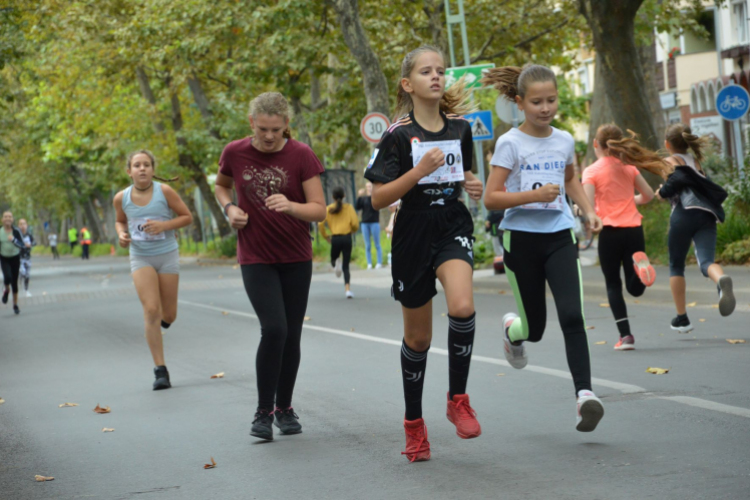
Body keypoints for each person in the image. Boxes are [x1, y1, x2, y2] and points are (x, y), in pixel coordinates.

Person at [365, 45, 484, 462]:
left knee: (463, 306)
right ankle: (414, 424)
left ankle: (458, 398)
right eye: (425, 71)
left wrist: (472, 185)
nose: (436, 77)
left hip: (451, 224)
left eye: (440, 71)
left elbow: (464, 174)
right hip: (412, 231)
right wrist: (418, 172)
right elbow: (379, 198)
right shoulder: (398, 134)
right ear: (407, 84)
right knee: (419, 338)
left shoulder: (461, 128)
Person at [482, 64, 605, 433]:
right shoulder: (510, 143)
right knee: (534, 329)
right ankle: (512, 330)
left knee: (572, 316)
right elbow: (491, 198)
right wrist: (533, 195)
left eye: (551, 100)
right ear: (520, 103)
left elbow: (569, 178)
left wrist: (588, 211)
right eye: (536, 101)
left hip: (559, 236)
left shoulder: (564, 139)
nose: (545, 107)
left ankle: (584, 396)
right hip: (520, 241)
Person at [215, 92, 326, 441]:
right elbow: (221, 186)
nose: (268, 136)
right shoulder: (234, 152)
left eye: (276, 130)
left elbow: (319, 209)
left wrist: (292, 206)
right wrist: (229, 208)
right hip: (256, 257)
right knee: (274, 329)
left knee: (291, 334)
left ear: (286, 126)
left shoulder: (301, 155)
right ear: (252, 123)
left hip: (296, 256)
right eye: (263, 129)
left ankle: (284, 407)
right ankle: (263, 411)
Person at [582, 124, 669, 350]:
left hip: (610, 232)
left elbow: (588, 207)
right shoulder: (629, 168)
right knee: (634, 287)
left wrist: (583, 213)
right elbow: (648, 195)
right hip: (634, 230)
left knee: (613, 284)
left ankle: (626, 336)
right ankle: (642, 274)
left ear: (595, 144)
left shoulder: (591, 171)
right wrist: (632, 201)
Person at [113, 149, 193, 391]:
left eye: (146, 164)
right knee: (151, 310)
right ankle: (160, 370)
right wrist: (121, 235)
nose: (142, 169)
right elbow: (119, 221)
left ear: (153, 170)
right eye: (137, 165)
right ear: (129, 171)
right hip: (140, 258)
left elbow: (187, 216)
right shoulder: (121, 198)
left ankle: (160, 324)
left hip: (167, 255)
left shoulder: (164, 192)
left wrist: (164, 225)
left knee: (169, 315)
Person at [656, 123, 734, 332]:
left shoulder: (668, 161)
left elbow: (671, 189)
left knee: (676, 265)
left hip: (683, 214)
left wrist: (660, 192)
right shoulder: (696, 161)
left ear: (667, 144)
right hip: (707, 215)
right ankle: (720, 279)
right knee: (706, 261)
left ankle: (682, 318)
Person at [319, 187, 359, 298]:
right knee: (346, 266)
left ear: (332, 197)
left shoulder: (328, 209)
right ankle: (347, 290)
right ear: (344, 196)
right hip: (347, 238)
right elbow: (355, 223)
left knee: (333, 259)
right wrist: (352, 230)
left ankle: (336, 264)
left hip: (335, 238)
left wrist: (326, 236)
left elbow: (320, 224)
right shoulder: (349, 208)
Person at [1, 211, 26, 314]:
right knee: (7, 277)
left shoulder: (16, 231)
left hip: (15, 258)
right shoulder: (0, 231)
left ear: (12, 219)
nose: (7, 218)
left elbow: (22, 245)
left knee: (14, 283)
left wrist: (14, 240)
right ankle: (6, 290)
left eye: (10, 217)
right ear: (2, 219)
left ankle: (15, 304)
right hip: (4, 258)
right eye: (5, 217)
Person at [356, 182, 383, 269]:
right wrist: (359, 196)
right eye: (367, 186)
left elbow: (378, 206)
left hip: (374, 222)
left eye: (370, 186)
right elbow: (357, 207)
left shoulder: (376, 197)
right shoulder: (363, 199)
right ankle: (369, 263)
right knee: (367, 245)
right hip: (365, 223)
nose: (369, 188)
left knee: (377, 244)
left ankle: (379, 262)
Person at [17, 219, 36, 297]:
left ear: (26, 225)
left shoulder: (29, 235)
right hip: (19, 258)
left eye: (24, 224)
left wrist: (30, 244)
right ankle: (18, 275)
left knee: (27, 275)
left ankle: (26, 290)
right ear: (18, 226)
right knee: (23, 272)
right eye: (21, 224)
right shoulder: (17, 235)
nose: (22, 226)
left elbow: (35, 242)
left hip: (28, 257)